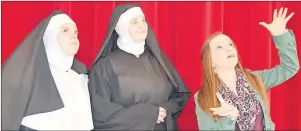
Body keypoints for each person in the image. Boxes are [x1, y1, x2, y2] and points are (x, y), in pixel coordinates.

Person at [88, 4, 191, 130]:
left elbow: (179, 95)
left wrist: (165, 110)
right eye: (134, 22)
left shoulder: (159, 60)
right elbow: (101, 115)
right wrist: (148, 113)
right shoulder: (104, 67)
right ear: (122, 28)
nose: (141, 25)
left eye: (143, 20)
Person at [194, 7, 299, 130]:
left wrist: (280, 35)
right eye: (219, 47)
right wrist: (230, 118)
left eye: (230, 44)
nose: (228, 48)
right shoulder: (203, 97)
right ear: (211, 62)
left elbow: (289, 67)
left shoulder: (254, 79)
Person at [2, 11, 93, 130]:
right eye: (65, 30)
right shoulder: (28, 76)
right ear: (49, 36)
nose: (74, 36)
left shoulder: (82, 76)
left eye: (76, 32)